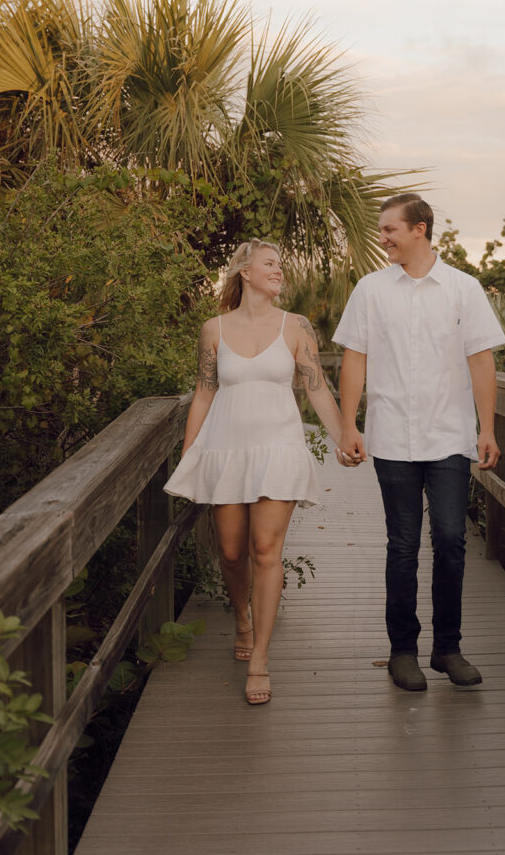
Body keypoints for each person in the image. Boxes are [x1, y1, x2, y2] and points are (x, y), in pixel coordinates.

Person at [333, 193, 505, 691]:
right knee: (403, 545)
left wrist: (487, 427)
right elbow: (355, 360)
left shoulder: (463, 289)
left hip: (450, 435)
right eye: (381, 230)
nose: (382, 237)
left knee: (452, 540)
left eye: (390, 229)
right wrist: (350, 425)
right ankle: (402, 652)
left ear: (420, 230)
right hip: (390, 437)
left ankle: (448, 648)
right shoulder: (370, 290)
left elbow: (480, 360)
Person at [165, 238, 345, 705]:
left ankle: (261, 659)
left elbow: (317, 388)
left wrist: (346, 434)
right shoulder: (214, 330)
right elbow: (204, 393)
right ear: (244, 272)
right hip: (226, 450)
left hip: (279, 448)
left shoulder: (296, 326)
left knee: (266, 550)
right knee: (230, 552)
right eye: (270, 264)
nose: (279, 270)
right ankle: (241, 617)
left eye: (281, 265)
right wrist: (190, 456)